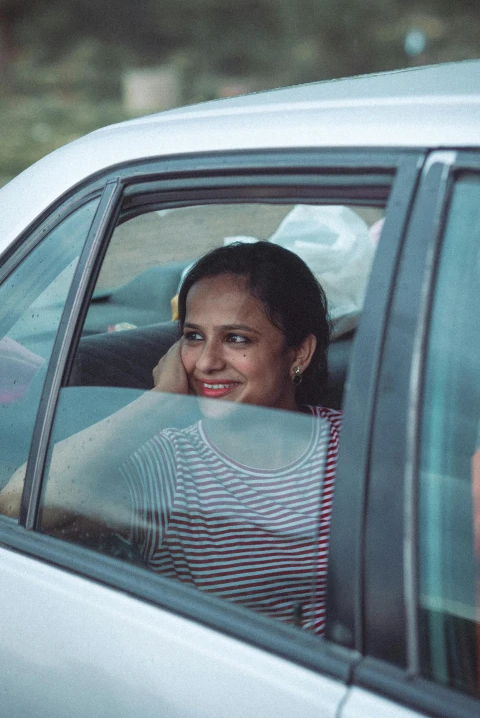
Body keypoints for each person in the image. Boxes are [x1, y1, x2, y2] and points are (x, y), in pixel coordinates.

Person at [0, 241, 341, 634]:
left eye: (237, 339)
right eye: (194, 338)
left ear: (300, 353)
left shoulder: (353, 445)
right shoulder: (169, 466)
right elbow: (17, 503)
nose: (208, 363)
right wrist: (161, 402)